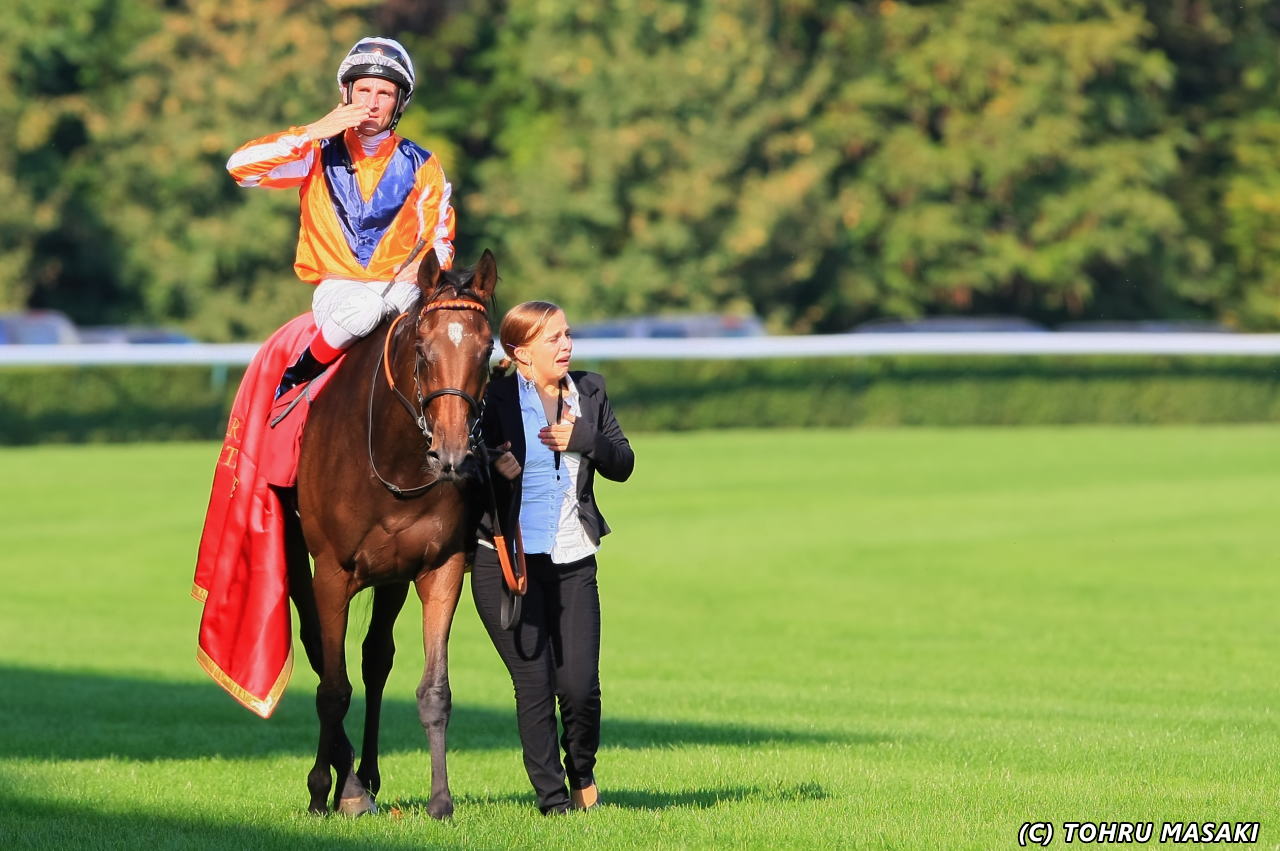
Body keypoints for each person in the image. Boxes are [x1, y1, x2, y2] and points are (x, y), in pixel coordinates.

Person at [472, 301, 635, 815]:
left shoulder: (591, 390)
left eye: (567, 334)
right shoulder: (492, 396)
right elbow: (456, 465)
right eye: (553, 338)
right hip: (506, 563)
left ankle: (582, 771)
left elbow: (623, 463)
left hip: (574, 556)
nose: (566, 345)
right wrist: (493, 465)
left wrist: (584, 439)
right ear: (521, 352)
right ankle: (553, 801)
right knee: (535, 684)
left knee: (580, 687)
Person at [225, 37, 456, 398]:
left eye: (384, 93)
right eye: (363, 90)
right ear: (345, 93)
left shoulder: (423, 163)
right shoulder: (314, 151)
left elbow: (440, 240)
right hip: (340, 291)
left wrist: (424, 266)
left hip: (402, 291)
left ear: (400, 102)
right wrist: (313, 131)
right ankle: (296, 377)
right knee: (366, 308)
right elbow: (240, 168)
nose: (371, 103)